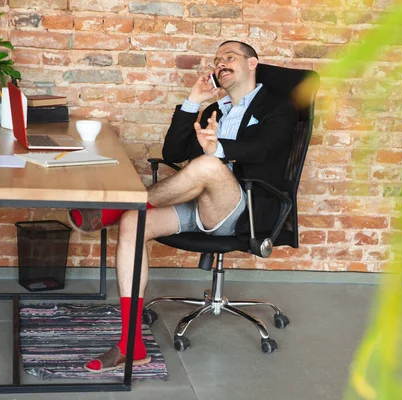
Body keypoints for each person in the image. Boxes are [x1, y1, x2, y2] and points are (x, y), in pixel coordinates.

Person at [69, 41, 298, 372]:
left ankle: (114, 208)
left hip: (243, 211)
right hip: (199, 203)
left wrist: (217, 148)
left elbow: (264, 148)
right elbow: (173, 152)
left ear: (252, 63)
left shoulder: (279, 106)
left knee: (207, 164)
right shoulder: (215, 110)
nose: (221, 63)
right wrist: (193, 102)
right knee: (135, 221)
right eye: (217, 60)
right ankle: (130, 344)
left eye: (230, 57)